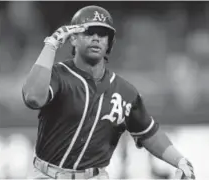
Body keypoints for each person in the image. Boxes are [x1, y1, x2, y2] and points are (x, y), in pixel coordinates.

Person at [22, 5, 195, 179]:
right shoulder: (58, 75)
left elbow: (148, 133)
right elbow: (33, 98)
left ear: (109, 42)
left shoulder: (125, 91)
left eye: (102, 33)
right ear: (73, 39)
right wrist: (51, 44)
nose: (96, 38)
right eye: (89, 32)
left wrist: (180, 161)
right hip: (47, 174)